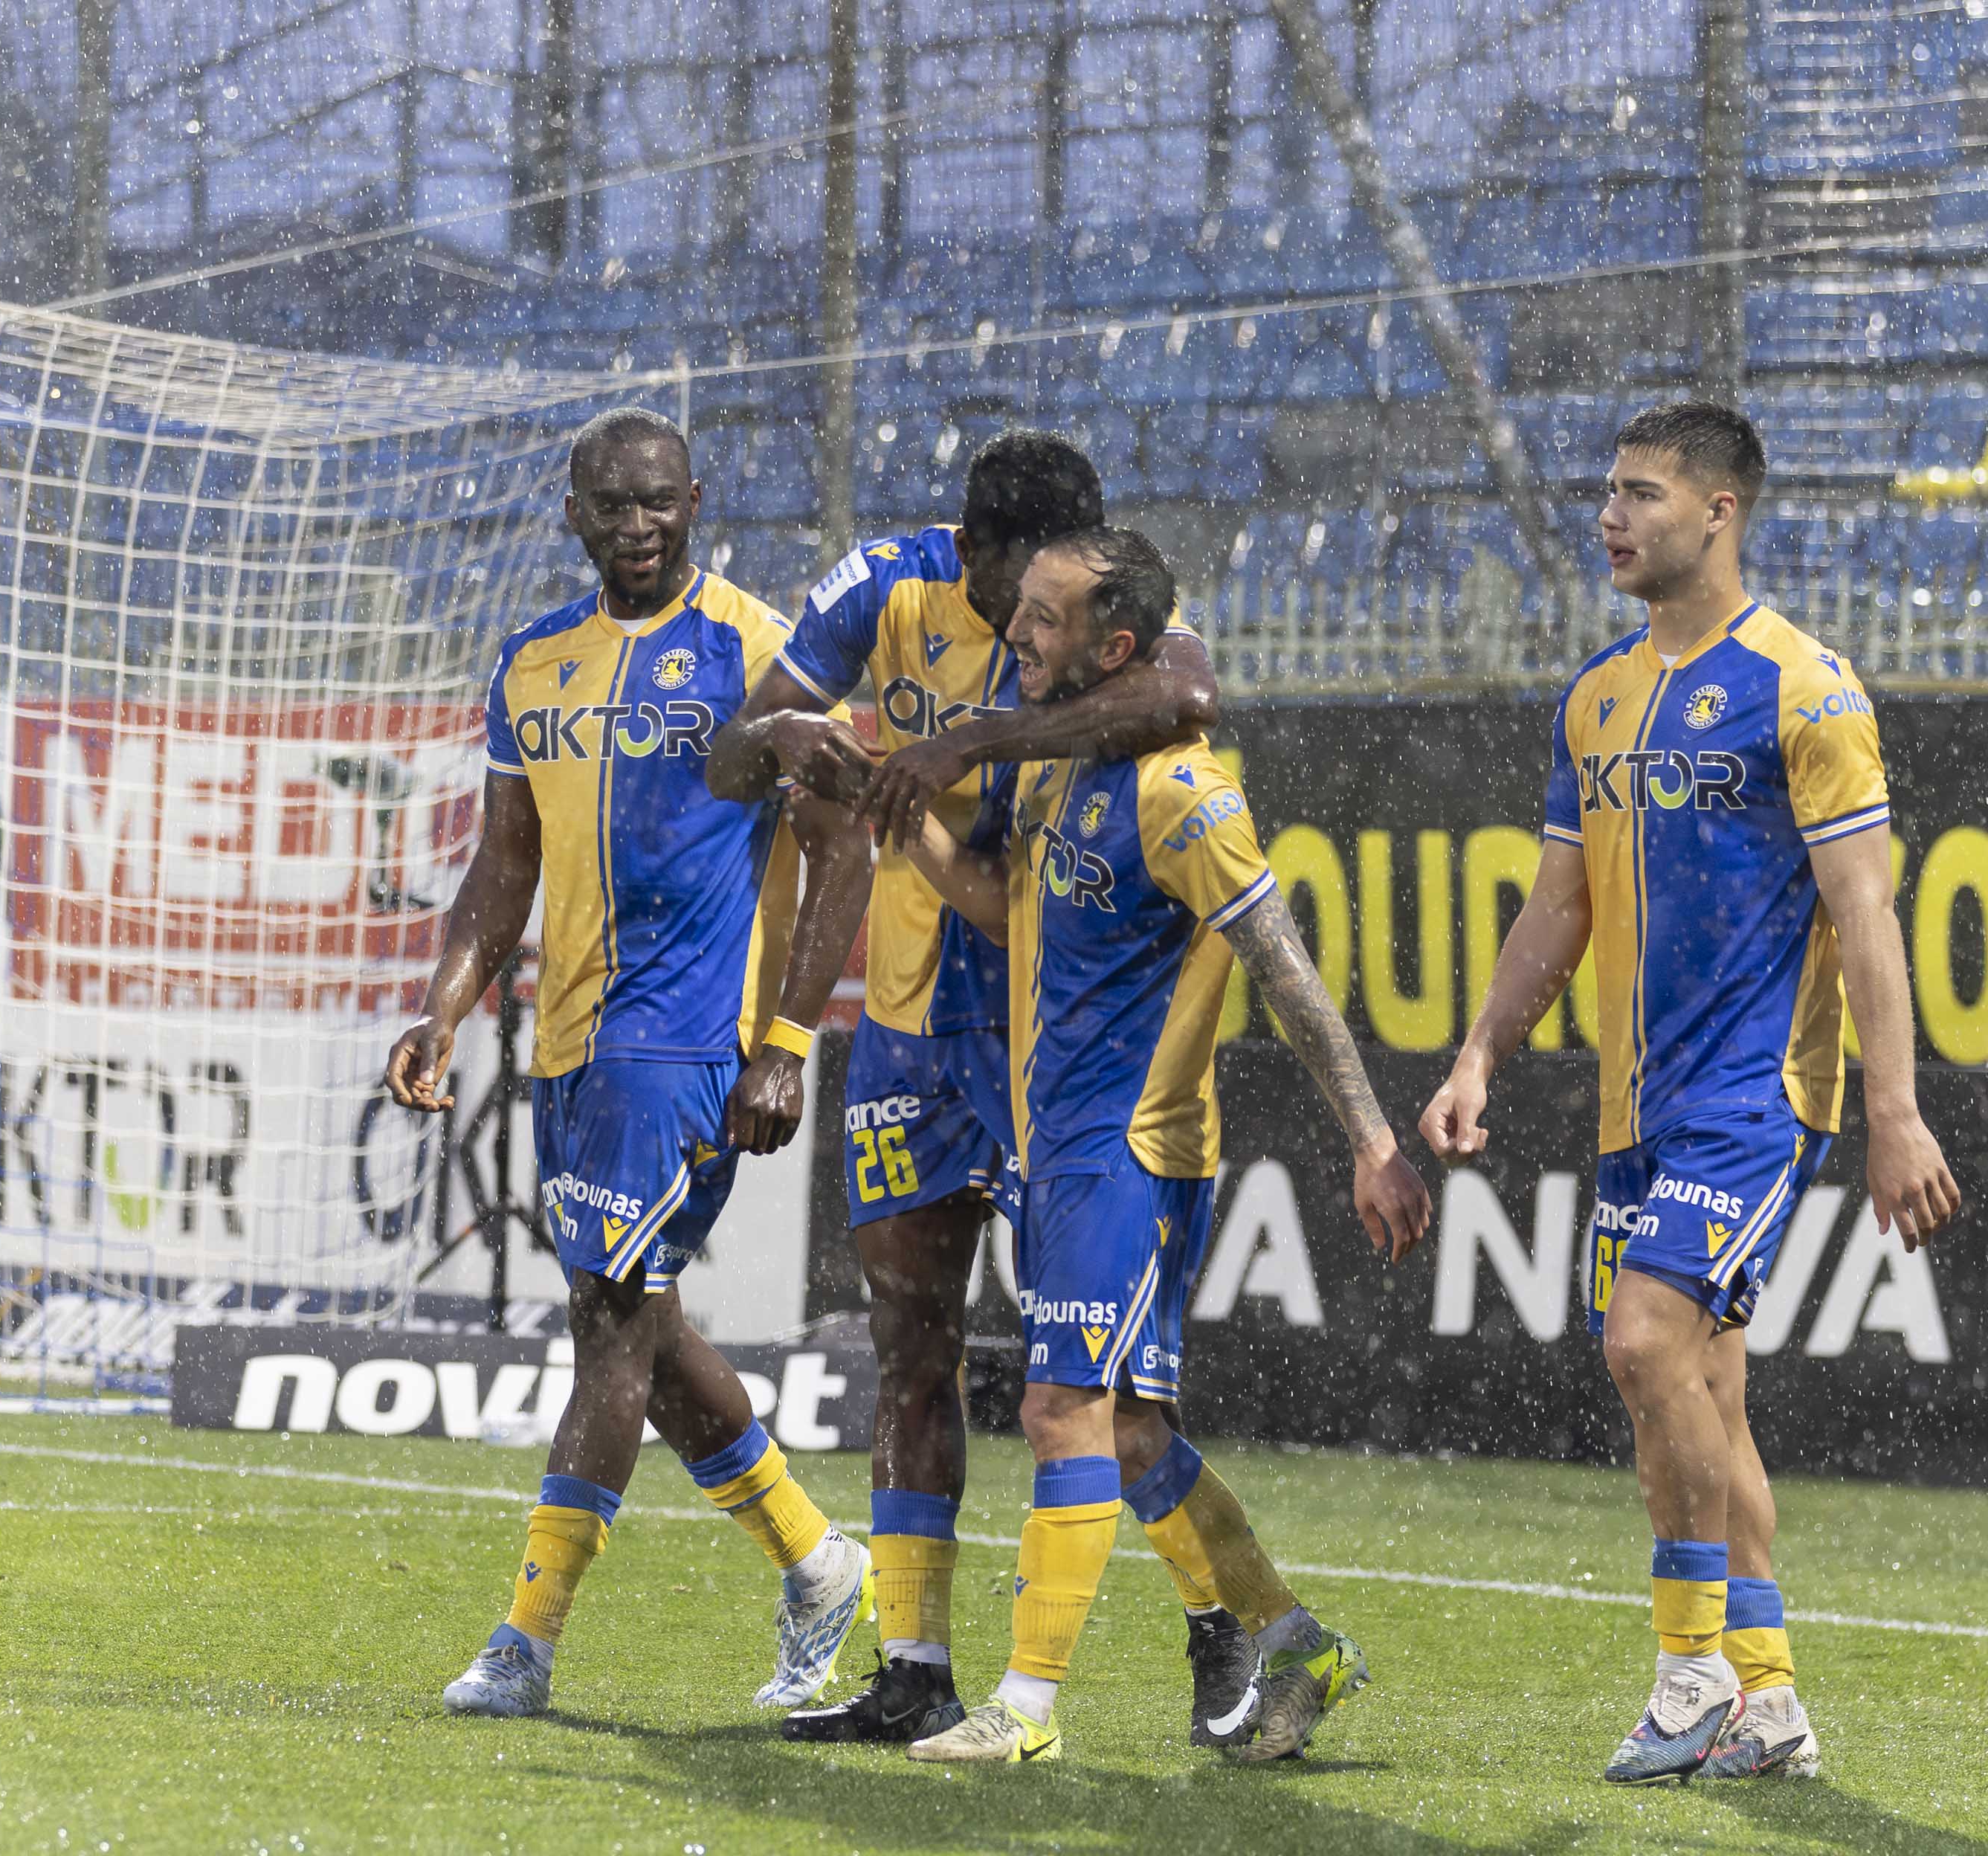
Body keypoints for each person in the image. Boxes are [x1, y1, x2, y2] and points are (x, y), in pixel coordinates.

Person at [1419, 400, 1962, 1785]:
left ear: (1721, 511)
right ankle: (1769, 1705)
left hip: (1756, 1094)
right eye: (1608, 490)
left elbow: (1866, 911)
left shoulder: (1806, 689)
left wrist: (1894, 1111)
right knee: (1705, 1391)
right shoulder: (1594, 695)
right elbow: (1559, 906)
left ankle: (1690, 1673)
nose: (1611, 515)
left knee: (1644, 1344)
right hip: (1636, 1108)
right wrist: (1481, 1053)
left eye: (1642, 493)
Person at [706, 432, 1236, 1745]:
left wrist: (975, 740)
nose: (1041, 611)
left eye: (1064, 591)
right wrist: (788, 737)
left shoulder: (1092, 612)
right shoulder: (886, 588)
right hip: (907, 1031)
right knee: (909, 1340)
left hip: (1047, 1039)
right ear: (969, 550)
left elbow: (1188, 698)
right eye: (1023, 586)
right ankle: (914, 1668)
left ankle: (1222, 1623)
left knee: (1114, 1390)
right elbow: (729, 761)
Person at [888, 525, 1432, 1765]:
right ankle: (1295, 1640)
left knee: (1059, 1410)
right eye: (1019, 611)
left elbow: (1284, 972)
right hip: (1059, 1147)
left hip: (1133, 1149)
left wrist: (1370, 1138)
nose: (1016, 634)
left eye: (1044, 617)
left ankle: (1024, 1709)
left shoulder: (1185, 794)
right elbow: (1004, 906)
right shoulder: (1055, 760)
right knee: (1131, 1435)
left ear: (1116, 645)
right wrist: (907, 822)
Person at [386, 406, 877, 1722]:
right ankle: (817, 1561)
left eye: (660, 501)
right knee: (639, 1324)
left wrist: (786, 1044)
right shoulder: (533, 663)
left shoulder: (762, 653)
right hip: (571, 1045)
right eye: (613, 504)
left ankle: (525, 1642)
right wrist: (443, 1009)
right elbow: (504, 865)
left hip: (687, 1041)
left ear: (697, 503)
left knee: (607, 1325)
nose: (639, 524)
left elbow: (845, 847)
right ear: (574, 515)